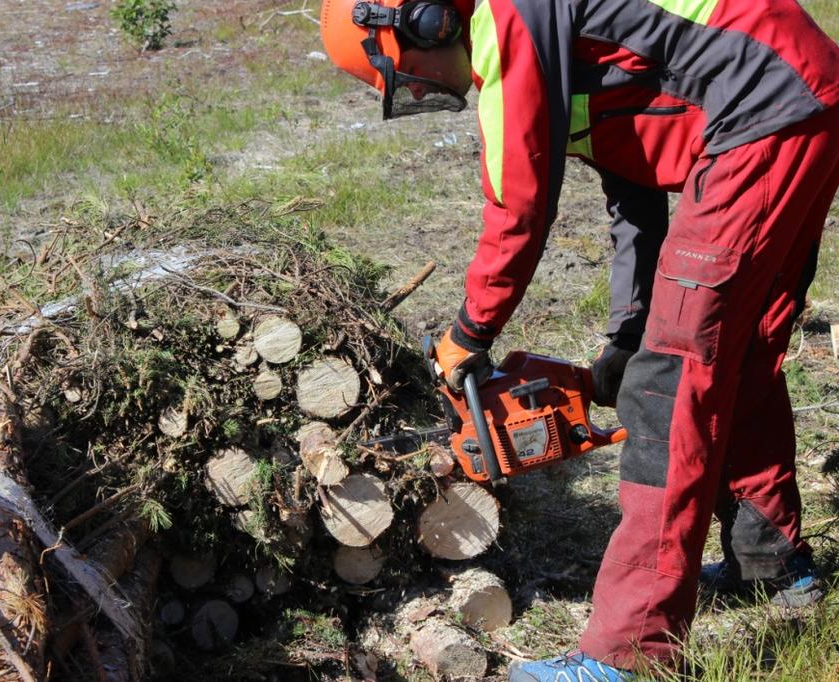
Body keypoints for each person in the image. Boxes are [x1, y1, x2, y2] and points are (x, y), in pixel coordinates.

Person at [320, 0, 839, 679]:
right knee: (738, 350)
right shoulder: (563, 40)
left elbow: (520, 203)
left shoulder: (506, 22)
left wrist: (470, 332)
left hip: (762, 111)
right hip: (796, 98)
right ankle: (772, 562)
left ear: (423, 20)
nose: (419, 87)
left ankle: (629, 656)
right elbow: (638, 185)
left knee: (670, 386)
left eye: (406, 70)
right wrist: (628, 332)